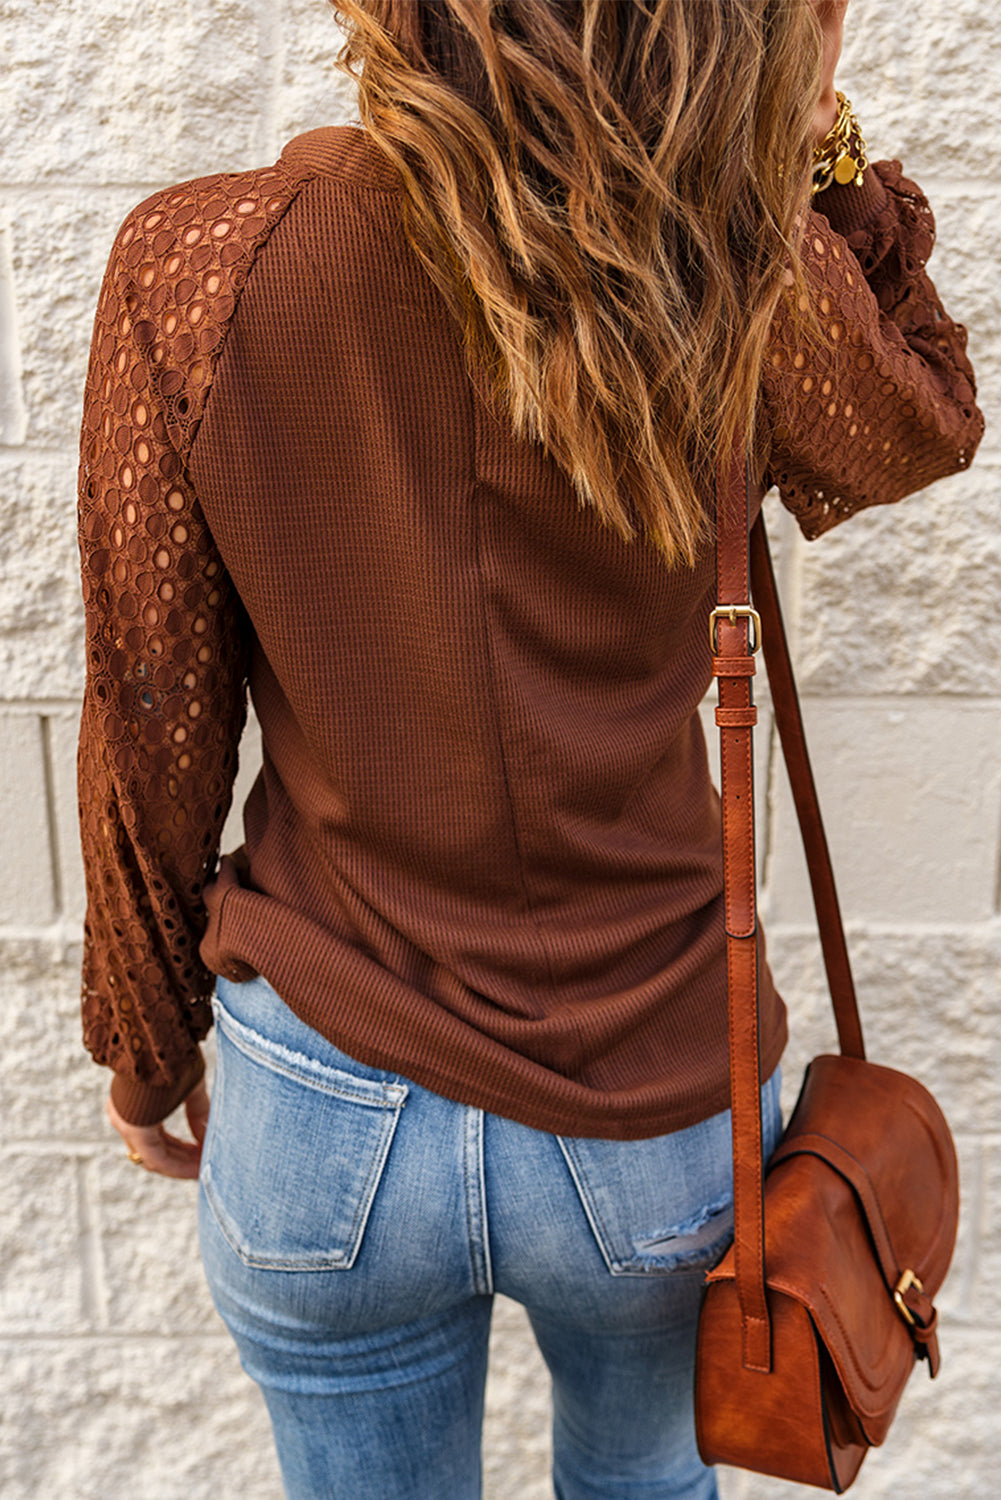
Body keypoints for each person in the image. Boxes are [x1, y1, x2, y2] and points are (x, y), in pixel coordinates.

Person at [77, 2, 982, 1496]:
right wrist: (814, 129)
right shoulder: (729, 272)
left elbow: (154, 713)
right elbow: (920, 418)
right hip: (656, 1105)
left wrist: (145, 1037)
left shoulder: (198, 265)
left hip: (324, 1089)